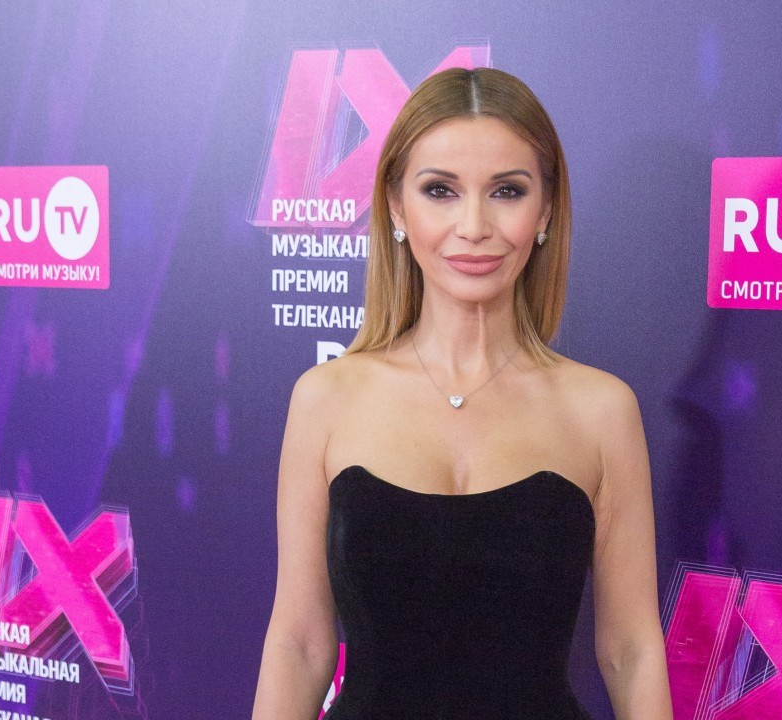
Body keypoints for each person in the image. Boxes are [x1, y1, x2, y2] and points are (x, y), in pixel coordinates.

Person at [252, 67, 672, 719]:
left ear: (545, 210)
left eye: (507, 191)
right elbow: (300, 645)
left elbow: (630, 651)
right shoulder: (325, 399)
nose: (474, 225)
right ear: (396, 207)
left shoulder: (601, 411)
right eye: (440, 191)